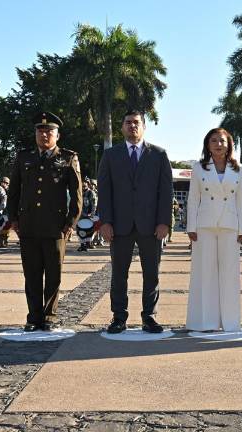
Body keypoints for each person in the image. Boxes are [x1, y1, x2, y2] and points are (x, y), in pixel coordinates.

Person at [97, 110, 173, 334]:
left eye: (136, 122)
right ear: (122, 127)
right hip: (119, 226)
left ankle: (149, 316)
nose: (132, 126)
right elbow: (104, 191)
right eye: (128, 122)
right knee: (119, 274)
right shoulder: (110, 155)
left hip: (151, 226)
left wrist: (164, 222)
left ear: (144, 126)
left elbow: (166, 192)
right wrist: (105, 222)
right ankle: (119, 317)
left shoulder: (159, 155)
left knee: (152, 274)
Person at [7, 112, 81, 331]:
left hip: (55, 226)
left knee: (53, 274)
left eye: (49, 131)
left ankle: (49, 316)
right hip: (28, 225)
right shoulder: (24, 157)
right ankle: (33, 316)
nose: (44, 135)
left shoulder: (68, 158)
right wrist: (13, 218)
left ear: (57, 135)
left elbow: (76, 195)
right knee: (31, 274)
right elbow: (14, 191)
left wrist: (70, 222)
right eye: (40, 131)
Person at [185, 128, 242, 331]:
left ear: (229, 144)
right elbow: (193, 199)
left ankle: (230, 322)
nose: (218, 144)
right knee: (205, 273)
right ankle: (206, 321)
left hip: (230, 225)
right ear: (207, 145)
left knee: (230, 274)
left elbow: (241, 200)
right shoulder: (198, 168)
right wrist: (191, 226)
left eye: (222, 141)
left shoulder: (239, 169)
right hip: (204, 225)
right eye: (213, 141)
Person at [0, 176, 11, 247]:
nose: (4, 184)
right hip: (0, 211)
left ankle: (5, 241)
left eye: (6, 183)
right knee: (0, 227)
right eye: (3, 182)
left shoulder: (10, 190)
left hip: (7, 211)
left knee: (7, 227)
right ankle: (0, 242)